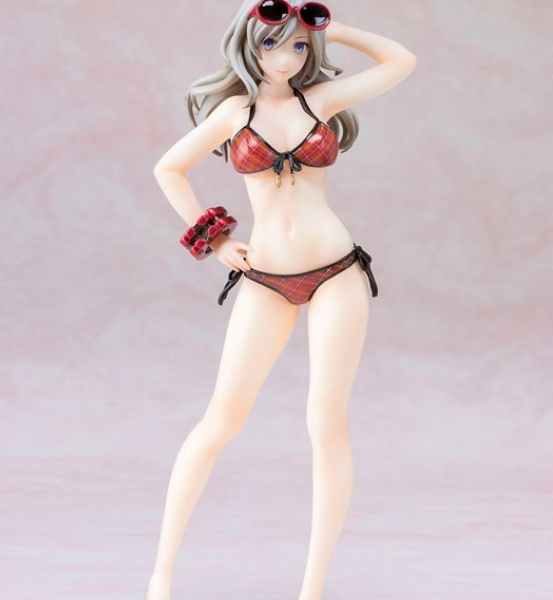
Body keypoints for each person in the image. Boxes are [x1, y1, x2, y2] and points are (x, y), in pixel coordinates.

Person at [147, 1, 416, 599]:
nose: (287, 57)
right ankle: (160, 576)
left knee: (325, 421)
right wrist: (215, 239)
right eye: (273, 43)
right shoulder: (232, 113)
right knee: (222, 419)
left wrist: (332, 30)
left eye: (298, 45)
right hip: (265, 277)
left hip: (336, 271)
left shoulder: (320, 101)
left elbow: (402, 60)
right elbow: (169, 169)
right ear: (248, 43)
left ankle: (311, 589)